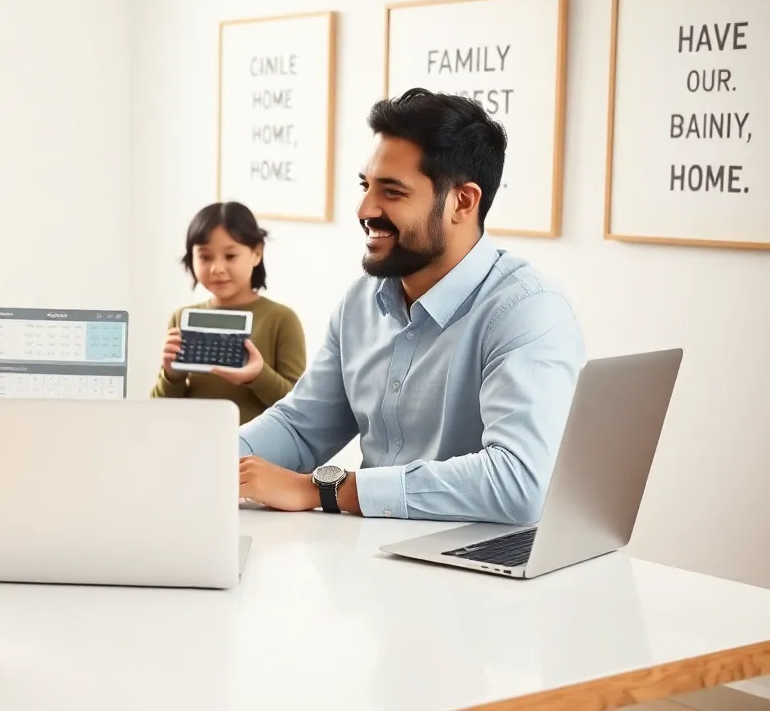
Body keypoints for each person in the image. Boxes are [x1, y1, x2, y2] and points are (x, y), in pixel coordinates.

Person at [236, 88, 586, 525]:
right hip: (368, 557)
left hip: (477, 573)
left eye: (393, 192)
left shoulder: (528, 312)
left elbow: (517, 483)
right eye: (366, 186)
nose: (365, 209)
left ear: (463, 201)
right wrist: (193, 463)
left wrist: (321, 489)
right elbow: (300, 428)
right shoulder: (360, 302)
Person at [151, 201, 306, 424]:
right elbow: (159, 412)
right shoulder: (181, 318)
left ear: (257, 253)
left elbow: (299, 408)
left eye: (230, 256)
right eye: (205, 257)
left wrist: (258, 374)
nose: (217, 269)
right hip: (191, 445)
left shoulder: (281, 319)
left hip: (255, 454)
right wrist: (172, 375)